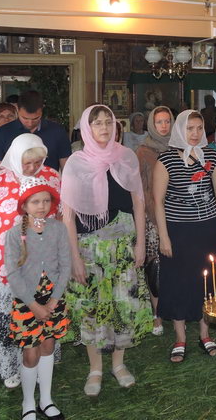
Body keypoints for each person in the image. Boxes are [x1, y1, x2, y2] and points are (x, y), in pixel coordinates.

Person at [61, 105, 152, 396]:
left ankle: (118, 364)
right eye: (97, 123)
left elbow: (138, 202)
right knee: (93, 307)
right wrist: (74, 257)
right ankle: (95, 368)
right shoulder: (76, 163)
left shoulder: (126, 157)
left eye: (108, 122)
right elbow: (67, 215)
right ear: (86, 129)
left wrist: (140, 243)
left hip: (123, 245)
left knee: (123, 304)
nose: (103, 128)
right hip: (90, 248)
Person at [0, 133, 61, 387]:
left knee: (40, 314)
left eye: (38, 162)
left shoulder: (51, 176)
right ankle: (11, 367)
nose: (33, 168)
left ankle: (41, 363)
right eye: (28, 163)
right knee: (11, 316)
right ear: (15, 157)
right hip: (8, 264)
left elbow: (59, 218)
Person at [153, 110, 216, 363]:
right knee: (178, 281)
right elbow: (158, 201)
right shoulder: (165, 160)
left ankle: (205, 334)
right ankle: (180, 337)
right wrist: (164, 237)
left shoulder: (212, 157)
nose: (195, 133)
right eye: (189, 128)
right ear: (180, 130)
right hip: (178, 230)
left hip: (207, 229)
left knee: (206, 280)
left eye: (199, 128)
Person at [5, 175, 71, 420]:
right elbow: (13, 274)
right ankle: (28, 402)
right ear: (24, 205)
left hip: (53, 299)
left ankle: (46, 399)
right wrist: (33, 305)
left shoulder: (58, 229)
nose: (41, 206)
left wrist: (54, 300)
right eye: (35, 202)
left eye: (46, 201)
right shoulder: (14, 234)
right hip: (27, 302)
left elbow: (65, 265)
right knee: (30, 353)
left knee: (48, 345)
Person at [135, 105, 174, 337]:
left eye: (167, 121)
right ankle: (157, 314)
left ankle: (174, 308)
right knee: (155, 265)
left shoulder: (178, 147)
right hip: (151, 216)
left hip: (176, 214)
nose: (164, 126)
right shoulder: (143, 151)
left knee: (173, 264)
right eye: (159, 122)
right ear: (152, 124)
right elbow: (139, 189)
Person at [0, 90, 72, 175]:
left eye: (36, 118)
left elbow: (67, 170)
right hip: (13, 183)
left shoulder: (57, 132)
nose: (30, 123)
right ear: (17, 110)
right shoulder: (2, 133)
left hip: (49, 182)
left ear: (42, 110)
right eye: (25, 118)